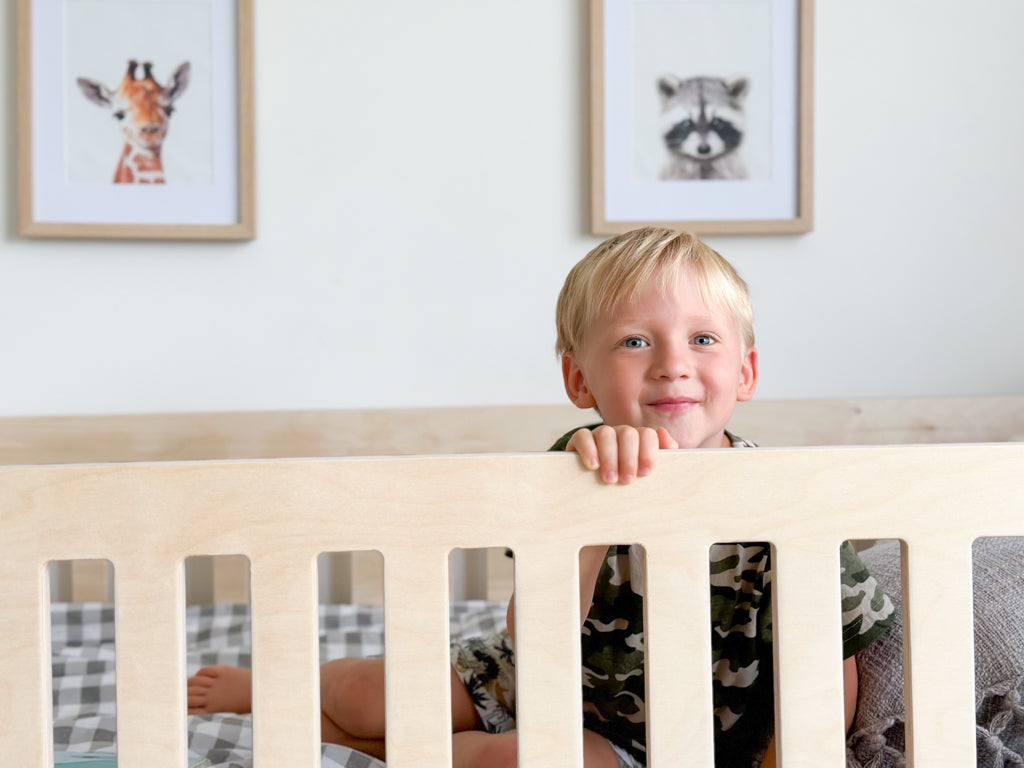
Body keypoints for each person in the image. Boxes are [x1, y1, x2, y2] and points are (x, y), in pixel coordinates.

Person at [188, 227, 894, 767]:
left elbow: (831, 672)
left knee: (518, 761)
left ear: (745, 373)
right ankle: (284, 687)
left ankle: (372, 748)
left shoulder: (789, 506)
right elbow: (536, 636)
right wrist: (591, 506)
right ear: (579, 381)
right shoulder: (574, 464)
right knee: (371, 695)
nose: (673, 362)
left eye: (702, 338)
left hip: (672, 746)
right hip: (538, 677)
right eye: (636, 341)